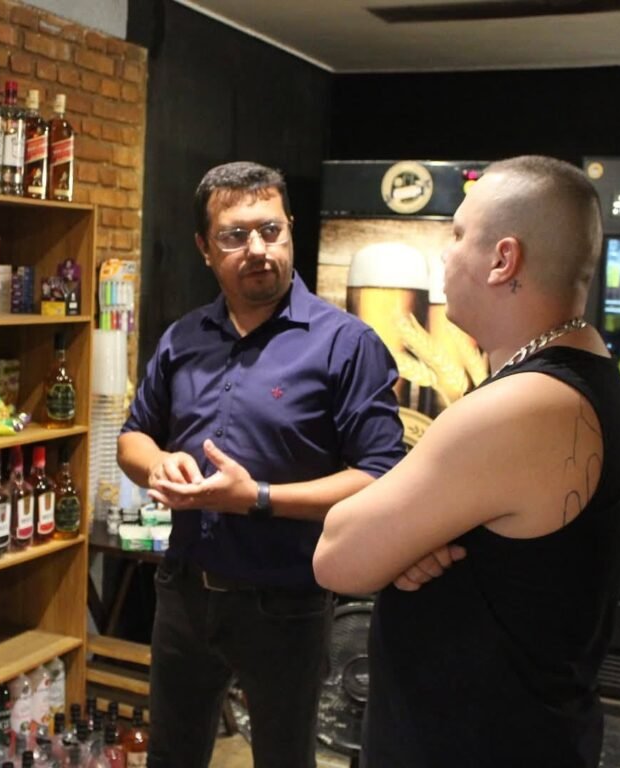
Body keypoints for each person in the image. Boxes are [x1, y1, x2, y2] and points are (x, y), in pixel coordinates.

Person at [314, 155, 620, 767]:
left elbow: (336, 555)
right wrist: (409, 541)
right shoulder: (580, 370)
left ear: (503, 259)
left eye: (459, 233)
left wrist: (401, 544)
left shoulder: (522, 406)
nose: (446, 253)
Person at [117, 160, 405, 768]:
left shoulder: (345, 343)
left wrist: (257, 497)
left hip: (289, 599)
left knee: (283, 759)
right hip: (184, 589)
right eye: (234, 235)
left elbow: (380, 477)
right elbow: (133, 437)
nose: (257, 249)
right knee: (171, 757)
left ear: (290, 229)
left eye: (271, 230)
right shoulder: (182, 338)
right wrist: (158, 465)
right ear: (204, 248)